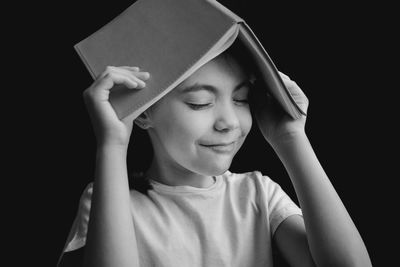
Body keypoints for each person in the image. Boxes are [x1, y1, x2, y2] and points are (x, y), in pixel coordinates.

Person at [58, 43, 372, 267]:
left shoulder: (258, 195)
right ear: (142, 113)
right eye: (200, 102)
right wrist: (111, 145)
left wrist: (292, 138)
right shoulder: (109, 202)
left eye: (241, 99)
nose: (229, 123)